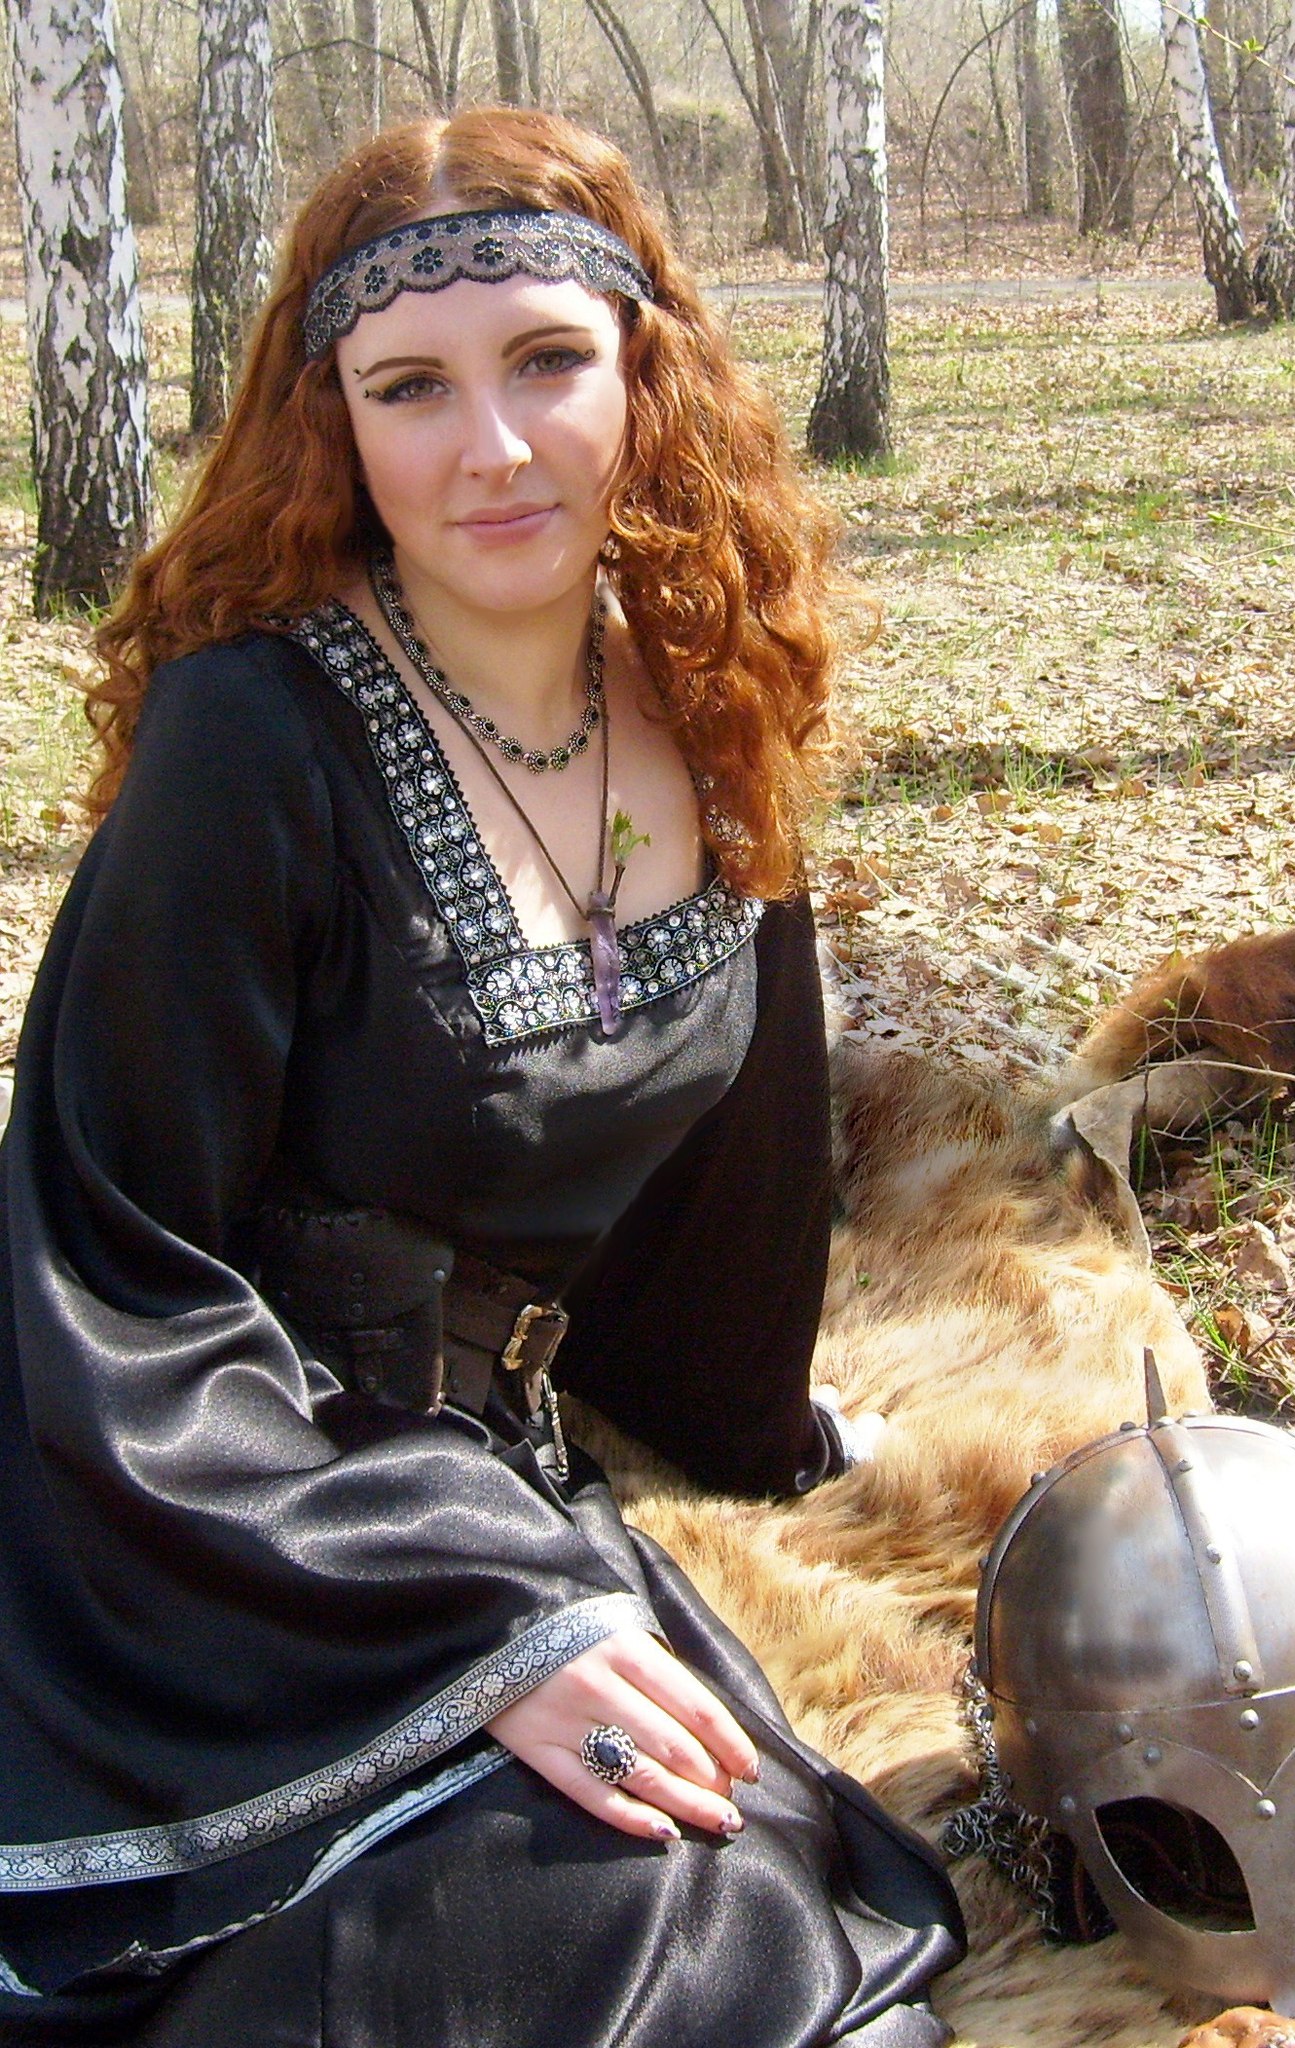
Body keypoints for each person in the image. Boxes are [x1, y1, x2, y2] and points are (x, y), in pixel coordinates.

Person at [0, 107, 964, 2047]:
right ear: (332, 424)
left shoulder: (706, 704)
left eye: (546, 361)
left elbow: (727, 1195)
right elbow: (101, 1261)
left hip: (497, 1494)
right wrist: (479, 1628)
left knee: (744, 1860)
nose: (495, 448)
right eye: (412, 387)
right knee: (612, 1927)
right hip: (198, 1532)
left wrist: (770, 1436)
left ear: (646, 375)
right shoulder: (250, 741)